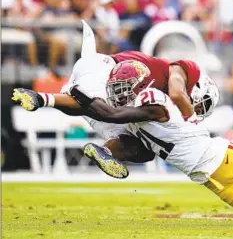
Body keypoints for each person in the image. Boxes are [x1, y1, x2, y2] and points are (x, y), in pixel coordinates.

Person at [13, 68, 233, 226]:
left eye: (124, 86)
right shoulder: (132, 111)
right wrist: (56, 100)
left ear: (138, 85)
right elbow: (121, 128)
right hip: (214, 182)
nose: (119, 91)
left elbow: (113, 112)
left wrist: (81, 97)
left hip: (226, 157)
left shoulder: (152, 102)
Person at [11, 20, 202, 178]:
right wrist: (192, 121)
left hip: (104, 85)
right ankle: (50, 97)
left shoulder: (158, 98)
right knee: (107, 111)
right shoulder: (183, 71)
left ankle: (105, 150)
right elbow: (177, 94)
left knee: (142, 149)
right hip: (101, 71)